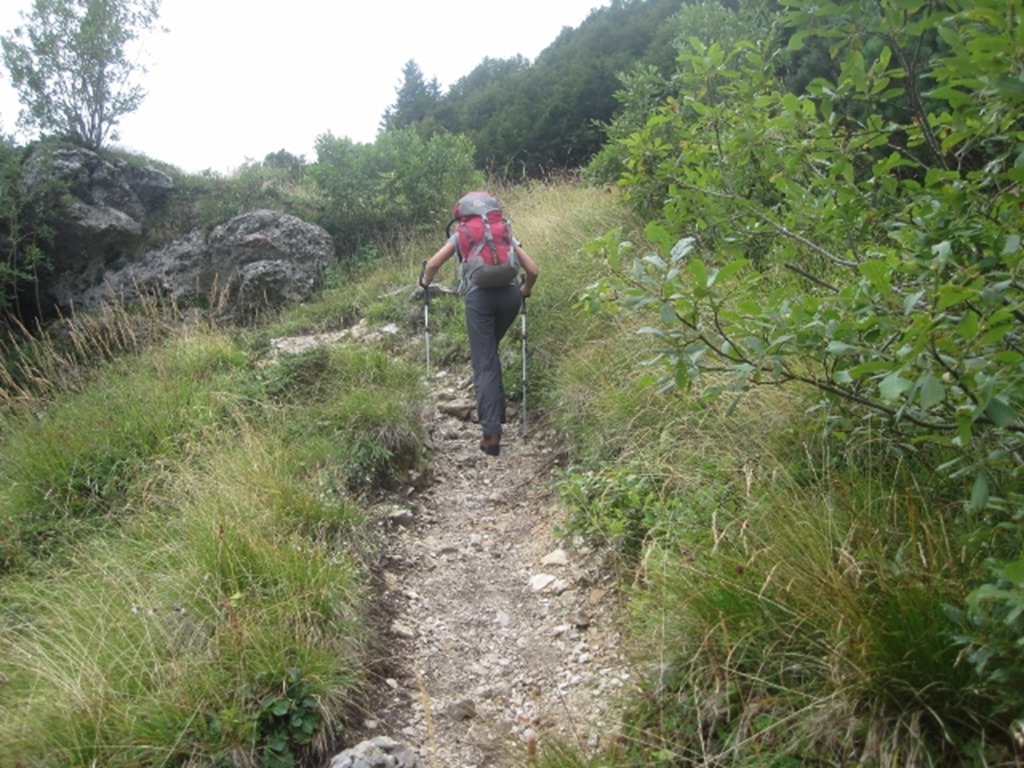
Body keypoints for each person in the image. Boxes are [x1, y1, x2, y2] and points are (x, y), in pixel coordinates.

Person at [419, 204, 539, 457]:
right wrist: (524, 290)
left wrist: (424, 283)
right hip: (510, 298)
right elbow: (533, 270)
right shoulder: (503, 232)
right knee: (489, 354)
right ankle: (499, 412)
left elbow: (433, 264)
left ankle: (491, 435)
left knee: (484, 363)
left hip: (480, 301)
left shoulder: (461, 234)